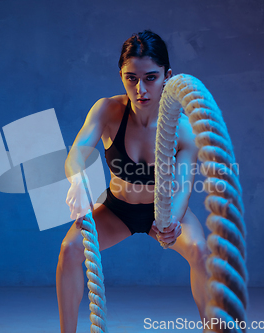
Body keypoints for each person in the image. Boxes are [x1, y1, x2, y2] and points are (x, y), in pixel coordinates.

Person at [57, 30, 210, 333]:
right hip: (117, 211)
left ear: (168, 75)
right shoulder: (108, 111)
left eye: (150, 78)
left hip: (164, 211)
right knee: (70, 249)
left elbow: (181, 188)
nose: (140, 88)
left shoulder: (184, 128)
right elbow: (76, 155)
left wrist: (170, 222)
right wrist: (76, 181)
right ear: (122, 76)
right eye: (131, 78)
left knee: (202, 252)